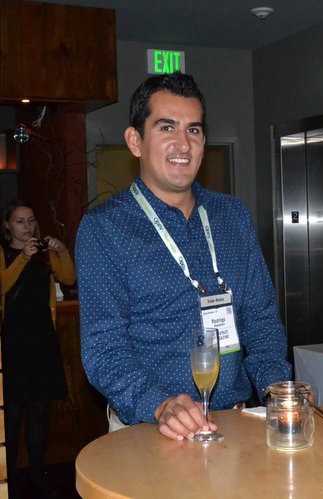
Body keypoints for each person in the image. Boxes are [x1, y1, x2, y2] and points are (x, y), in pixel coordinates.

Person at [76, 72, 291, 441]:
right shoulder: (104, 229)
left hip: (234, 424)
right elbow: (104, 347)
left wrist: (276, 389)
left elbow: (261, 319)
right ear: (135, 141)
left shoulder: (232, 216)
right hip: (148, 430)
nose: (183, 144)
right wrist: (160, 405)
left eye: (194, 130)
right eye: (166, 128)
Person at [1, 199, 76, 498]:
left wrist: (61, 251)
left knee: (38, 412)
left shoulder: (44, 255)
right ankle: (9, 477)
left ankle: (35, 472)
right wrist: (23, 257)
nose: (27, 226)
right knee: (11, 414)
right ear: (7, 226)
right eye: (20, 221)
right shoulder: (4, 253)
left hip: (42, 341)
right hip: (11, 343)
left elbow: (69, 278)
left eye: (31, 220)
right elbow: (2, 285)